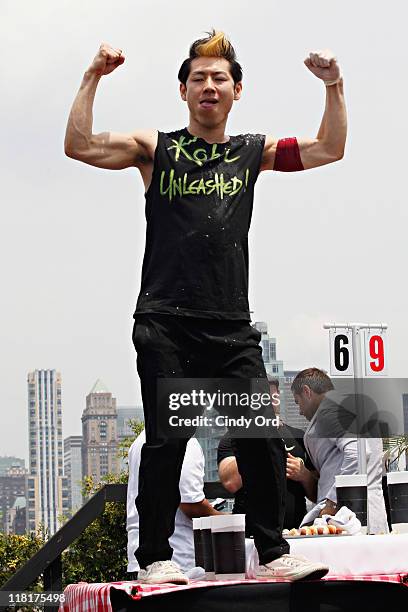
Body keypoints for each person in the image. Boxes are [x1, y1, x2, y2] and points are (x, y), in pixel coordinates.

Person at [64, 30, 346, 583]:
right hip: (165, 321)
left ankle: (271, 554)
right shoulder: (155, 149)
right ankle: (154, 559)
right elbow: (80, 145)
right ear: (183, 90)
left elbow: (328, 148)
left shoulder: (251, 152)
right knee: (170, 438)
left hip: (230, 327)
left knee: (261, 437)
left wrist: (334, 86)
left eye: (220, 78)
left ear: (237, 90)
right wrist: (92, 75)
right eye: (198, 78)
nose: (209, 86)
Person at [290, 367, 388, 533]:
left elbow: (358, 453)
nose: (299, 411)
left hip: (348, 515)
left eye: (297, 402)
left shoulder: (332, 412)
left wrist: (332, 502)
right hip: (364, 512)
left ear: (307, 392)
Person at [218, 375, 313, 531]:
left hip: (296, 531)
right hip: (251, 533)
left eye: (271, 396)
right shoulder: (234, 437)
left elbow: (317, 493)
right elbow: (231, 482)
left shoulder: (300, 437)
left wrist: (304, 475)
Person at [127, 429, 221, 580]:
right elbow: (191, 504)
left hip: (139, 560)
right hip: (176, 560)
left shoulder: (141, 441)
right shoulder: (184, 443)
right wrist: (227, 519)